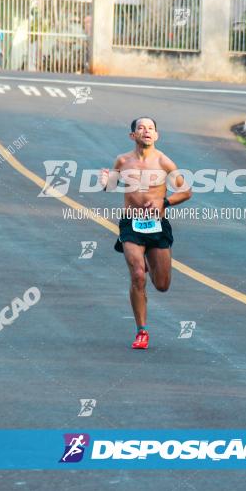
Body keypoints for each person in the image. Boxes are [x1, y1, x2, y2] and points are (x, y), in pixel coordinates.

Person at [99, 117, 192, 349]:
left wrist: (165, 201)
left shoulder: (164, 162)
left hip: (157, 225)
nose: (146, 131)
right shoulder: (123, 160)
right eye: (141, 128)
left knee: (162, 285)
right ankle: (141, 331)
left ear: (157, 135)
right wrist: (105, 182)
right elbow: (111, 186)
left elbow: (186, 191)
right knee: (138, 275)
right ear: (133, 136)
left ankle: (149, 264)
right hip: (131, 224)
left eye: (150, 128)